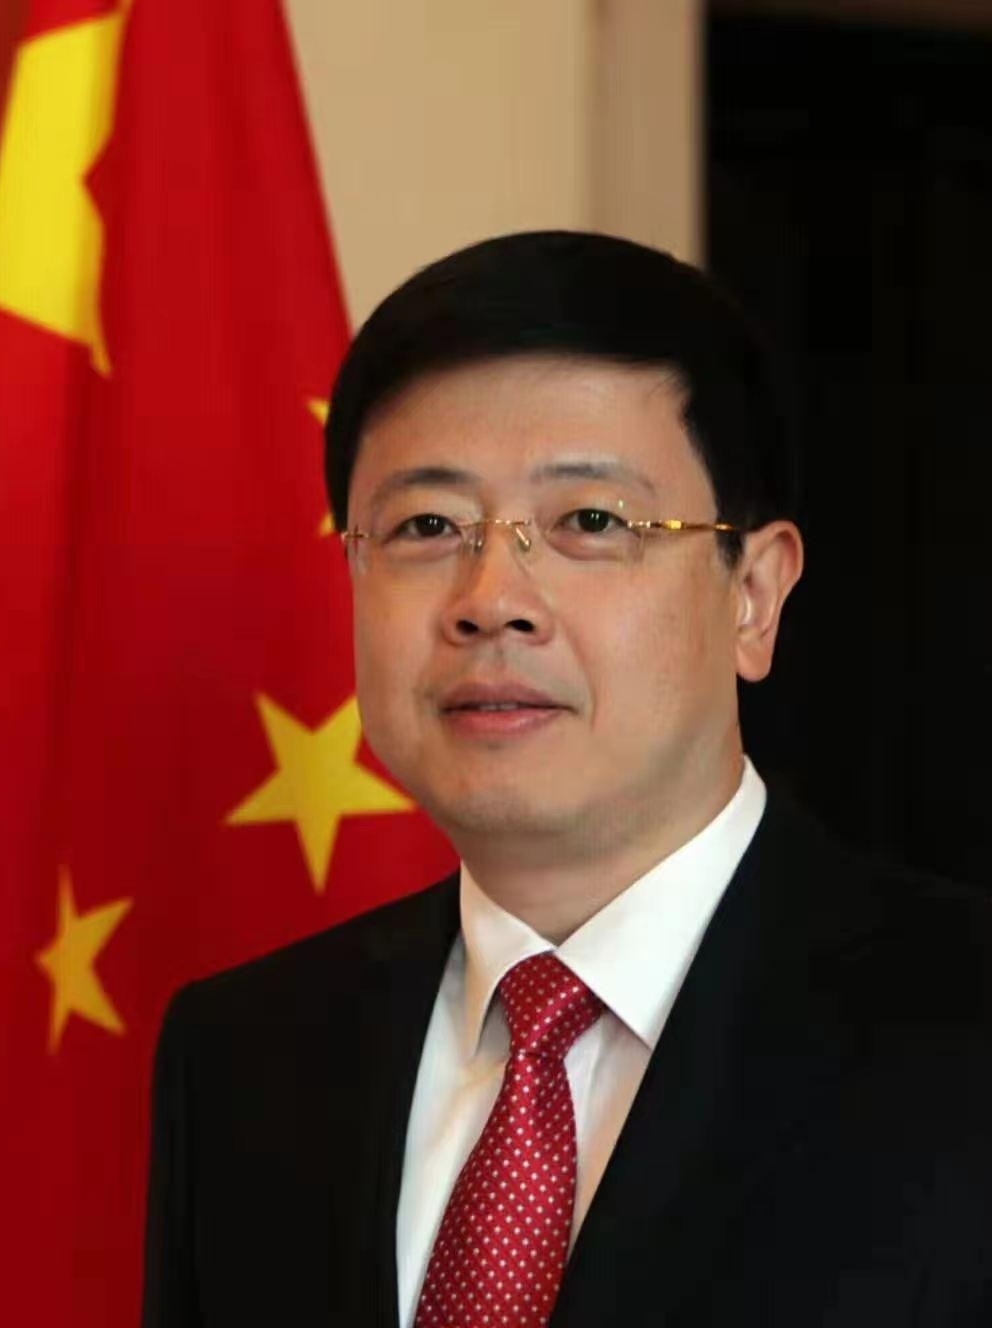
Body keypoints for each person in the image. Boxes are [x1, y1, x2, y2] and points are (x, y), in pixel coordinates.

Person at [142, 232, 992, 1327]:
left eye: (590, 521)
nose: (492, 599)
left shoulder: (958, 1027)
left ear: (754, 594)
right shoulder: (243, 1057)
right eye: (426, 526)